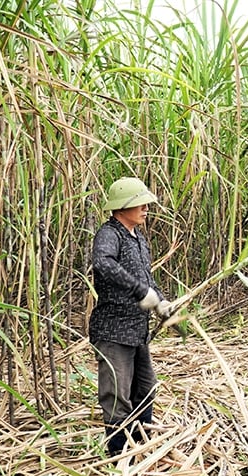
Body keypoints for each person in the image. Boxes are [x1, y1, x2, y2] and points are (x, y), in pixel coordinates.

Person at [89, 177, 173, 457]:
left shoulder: (139, 239)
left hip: (137, 330)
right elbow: (103, 263)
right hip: (114, 331)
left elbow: (145, 278)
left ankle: (141, 452)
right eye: (140, 203)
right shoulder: (109, 234)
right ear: (123, 206)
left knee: (146, 389)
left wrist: (159, 301)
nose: (146, 208)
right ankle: (118, 460)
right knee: (117, 398)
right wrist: (140, 292)